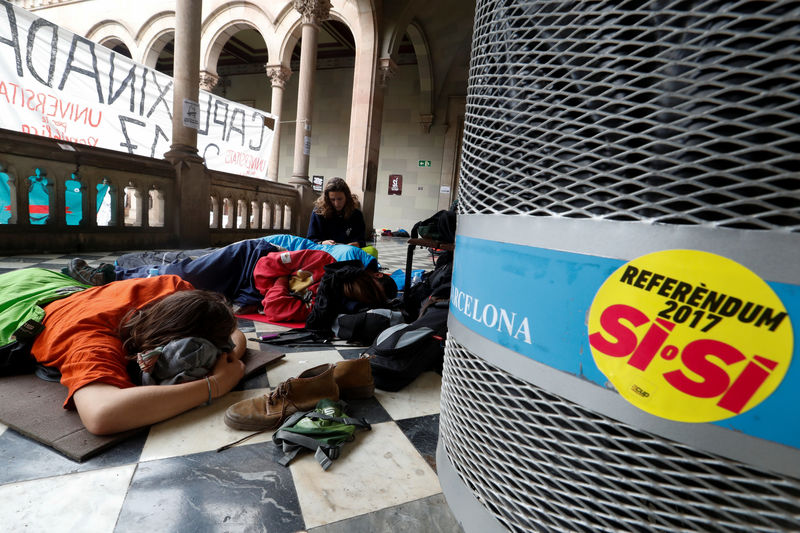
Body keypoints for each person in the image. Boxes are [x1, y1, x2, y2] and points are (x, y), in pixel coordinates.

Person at [25, 273, 247, 435]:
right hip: (21, 293)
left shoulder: (173, 288)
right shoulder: (88, 341)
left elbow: (233, 331)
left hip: (54, 282)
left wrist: (228, 357)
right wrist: (216, 385)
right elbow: (102, 414)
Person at [307, 177, 367, 248]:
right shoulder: (318, 212)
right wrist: (322, 243)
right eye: (332, 199)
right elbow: (310, 240)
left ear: (347, 197)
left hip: (348, 253)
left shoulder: (356, 214)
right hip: (325, 252)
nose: (336, 204)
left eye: (340, 199)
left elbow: (362, 240)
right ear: (327, 199)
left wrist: (357, 244)